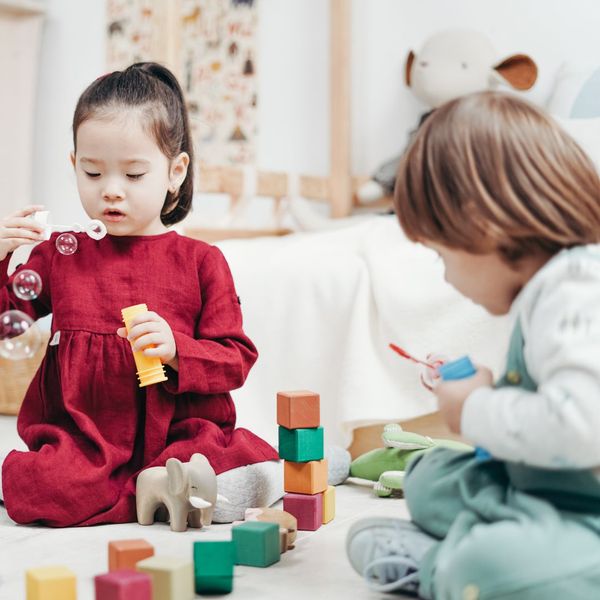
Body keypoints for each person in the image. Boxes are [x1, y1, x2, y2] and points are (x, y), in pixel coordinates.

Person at [0, 62, 281, 527]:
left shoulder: (200, 261)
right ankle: (154, 492)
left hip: (180, 433)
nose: (111, 191)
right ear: (74, 165)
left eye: (133, 175)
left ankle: (185, 482)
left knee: (225, 461)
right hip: (88, 441)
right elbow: (7, 316)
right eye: (92, 172)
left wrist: (176, 351)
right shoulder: (59, 256)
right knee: (46, 485)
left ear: (175, 171)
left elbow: (236, 359)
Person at [346, 91, 600, 598]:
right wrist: (485, 384)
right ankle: (490, 530)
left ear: (483, 228)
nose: (444, 274)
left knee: (487, 566)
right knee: (426, 477)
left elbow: (582, 427)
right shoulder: (549, 288)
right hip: (546, 487)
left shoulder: (576, 291)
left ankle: (447, 565)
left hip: (586, 510)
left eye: (441, 254)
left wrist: (477, 409)